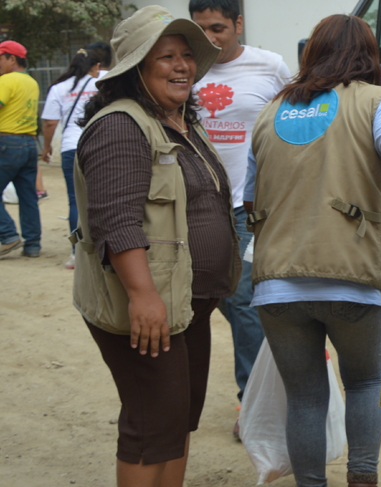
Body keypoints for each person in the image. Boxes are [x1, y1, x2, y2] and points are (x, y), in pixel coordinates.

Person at [248, 14, 381, 487]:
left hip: (277, 280)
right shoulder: (375, 101)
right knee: (364, 382)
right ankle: (362, 478)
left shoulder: (271, 110)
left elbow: (249, 197)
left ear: (311, 54)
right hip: (352, 274)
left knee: (305, 397)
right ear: (370, 55)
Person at [73, 6, 236, 486]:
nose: (182, 65)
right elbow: (116, 221)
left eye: (187, 55)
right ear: (136, 66)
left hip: (186, 304)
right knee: (151, 426)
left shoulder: (181, 122)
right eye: (166, 56)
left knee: (178, 419)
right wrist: (143, 296)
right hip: (150, 307)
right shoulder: (120, 126)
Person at [189, 0, 291, 437]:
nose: (209, 38)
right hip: (196, 201)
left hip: (248, 203)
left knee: (245, 296)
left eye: (217, 28)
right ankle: (283, 353)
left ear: (238, 24)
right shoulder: (185, 68)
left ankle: (253, 404)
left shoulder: (270, 66)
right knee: (215, 293)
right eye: (200, 29)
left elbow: (293, 119)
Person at [40, 46, 107, 269]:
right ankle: (107, 250)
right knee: (106, 197)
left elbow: (50, 122)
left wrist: (47, 147)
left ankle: (76, 253)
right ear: (96, 66)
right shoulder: (103, 82)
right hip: (101, 144)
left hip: (71, 147)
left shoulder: (59, 88)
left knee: (75, 200)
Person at [0, 39, 40, 259]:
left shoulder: (6, 81)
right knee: (28, 197)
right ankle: (32, 245)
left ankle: (8, 235)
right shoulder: (32, 82)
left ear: (11, 59)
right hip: (29, 144)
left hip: (6, 144)